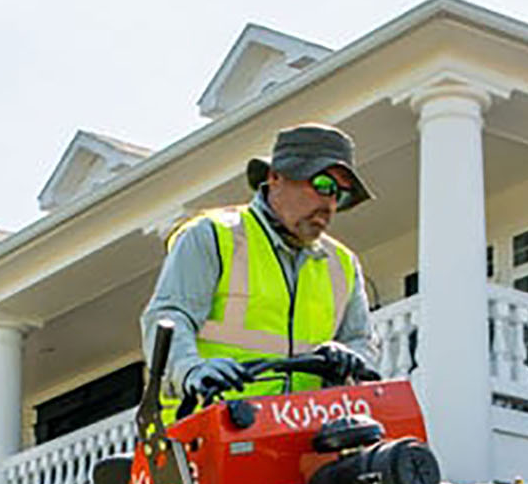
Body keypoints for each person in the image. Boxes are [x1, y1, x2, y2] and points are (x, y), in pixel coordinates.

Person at [141, 122, 379, 414]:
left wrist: (351, 356)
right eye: (322, 185)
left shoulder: (343, 263)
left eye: (339, 194)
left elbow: (360, 342)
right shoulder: (213, 235)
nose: (329, 204)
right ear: (275, 177)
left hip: (301, 437)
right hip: (204, 428)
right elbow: (169, 316)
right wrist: (191, 370)